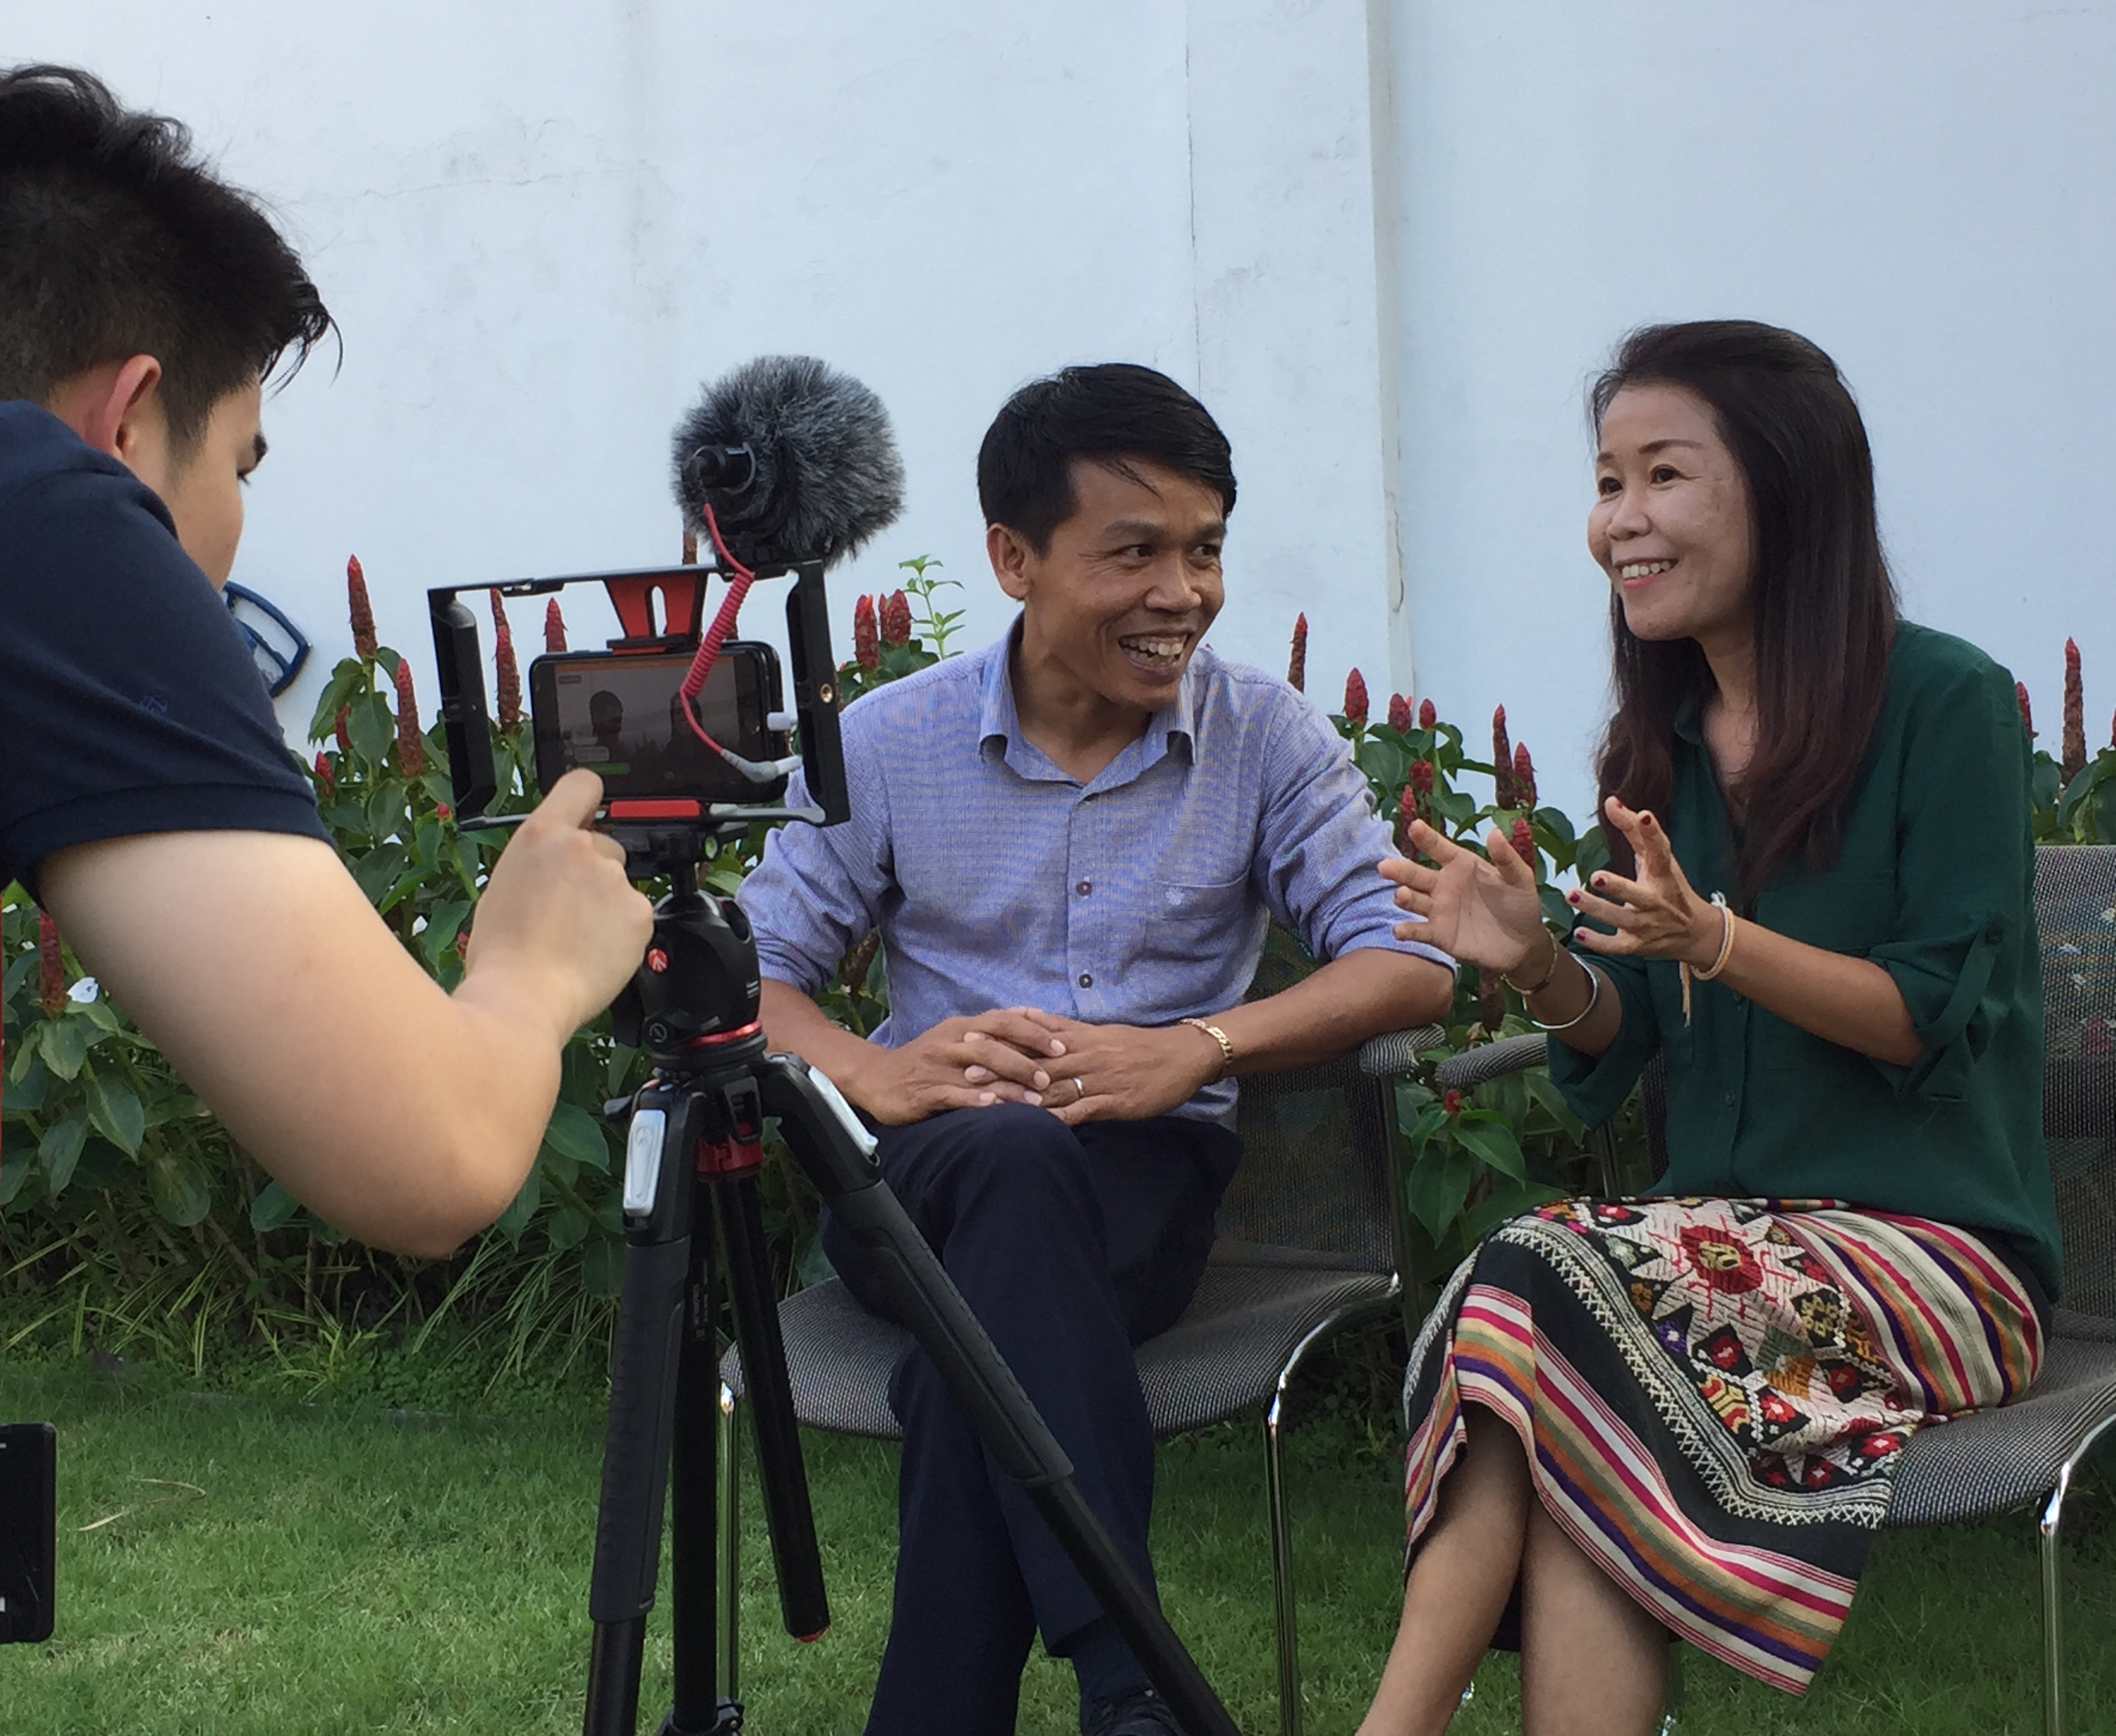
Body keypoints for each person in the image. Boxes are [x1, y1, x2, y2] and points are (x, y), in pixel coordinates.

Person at [0, 67, 653, 1257]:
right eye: (240, 466)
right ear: (125, 422)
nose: (234, 518)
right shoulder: (29, 506)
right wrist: (532, 967)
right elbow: (436, 1151)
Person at [738, 362, 1454, 1736]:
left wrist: (1198, 1047)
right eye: (1134, 554)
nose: (1181, 593)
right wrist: (877, 1073)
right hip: (917, 1181)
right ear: (1015, 559)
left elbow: (1409, 962)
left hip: (1142, 1184)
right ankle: (1132, 1686)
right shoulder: (888, 744)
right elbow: (753, 976)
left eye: (1205, 551)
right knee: (1005, 1161)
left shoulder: (1264, 740)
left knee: (964, 1372)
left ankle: (1068, 1702)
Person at [1364, 321, 2057, 1735]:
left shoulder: (1948, 704)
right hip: (1699, 1270)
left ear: (1788, 487)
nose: (1618, 519)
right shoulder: (1664, 742)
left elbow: (1926, 1020)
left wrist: (1722, 943)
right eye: (1606, 481)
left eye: (1662, 475)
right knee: (1568, 1388)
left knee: (1539, 1279)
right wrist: (1539, 963)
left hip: (1940, 1266)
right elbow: (1618, 1037)